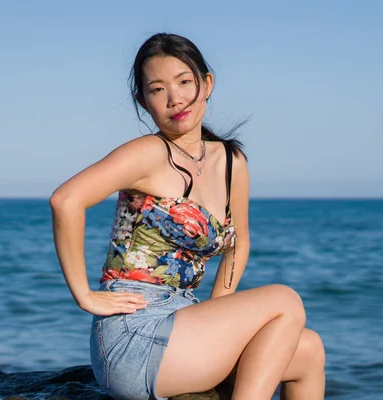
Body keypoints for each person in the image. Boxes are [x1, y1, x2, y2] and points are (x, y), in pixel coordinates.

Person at [50, 33, 325, 400]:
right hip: (135, 333)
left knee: (309, 350)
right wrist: (84, 295)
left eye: (184, 82)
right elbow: (66, 200)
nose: (175, 98)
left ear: (206, 83)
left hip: (186, 323)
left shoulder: (231, 162)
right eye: (158, 89)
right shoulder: (147, 154)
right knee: (285, 300)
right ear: (143, 101)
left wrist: (218, 316)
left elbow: (238, 242)